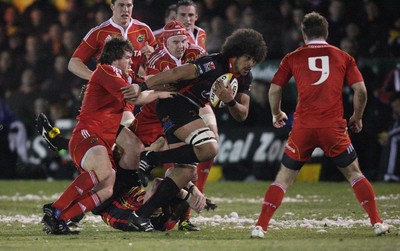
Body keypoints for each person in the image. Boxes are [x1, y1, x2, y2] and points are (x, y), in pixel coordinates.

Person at [250, 12, 391, 239]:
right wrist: (357, 117)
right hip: (332, 128)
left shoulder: (292, 57)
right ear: (327, 32)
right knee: (354, 174)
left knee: (283, 178)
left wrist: (276, 114)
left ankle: (260, 227)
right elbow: (361, 90)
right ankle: (376, 222)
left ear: (304, 33)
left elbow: (274, 88)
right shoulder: (343, 56)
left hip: (303, 127)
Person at [122, 28, 267, 231]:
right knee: (210, 148)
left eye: (254, 60)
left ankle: (140, 215)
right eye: (248, 58)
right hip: (175, 104)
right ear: (236, 52)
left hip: (190, 111)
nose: (250, 64)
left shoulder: (245, 77)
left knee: (185, 172)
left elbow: (242, 114)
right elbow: (175, 73)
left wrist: (230, 101)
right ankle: (151, 158)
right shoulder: (212, 63)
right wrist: (142, 86)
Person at [41, 37, 172, 235]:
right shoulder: (105, 71)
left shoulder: (122, 75)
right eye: (128, 58)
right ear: (116, 57)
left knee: (107, 189)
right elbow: (135, 96)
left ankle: (61, 218)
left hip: (101, 140)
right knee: (104, 172)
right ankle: (55, 209)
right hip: (87, 135)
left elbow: (145, 82)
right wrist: (161, 94)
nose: (131, 62)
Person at [132, 20, 206, 231]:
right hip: (152, 117)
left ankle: (184, 218)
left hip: (181, 115)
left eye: (184, 40)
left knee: (189, 166)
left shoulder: (196, 52)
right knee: (128, 162)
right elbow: (150, 88)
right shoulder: (156, 60)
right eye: (176, 42)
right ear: (165, 42)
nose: (181, 45)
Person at [378, 92, 400, 182]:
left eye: (398, 106)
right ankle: (383, 173)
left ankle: (391, 174)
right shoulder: (395, 115)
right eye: (394, 107)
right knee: (387, 141)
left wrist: (389, 135)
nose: (397, 109)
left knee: (393, 139)